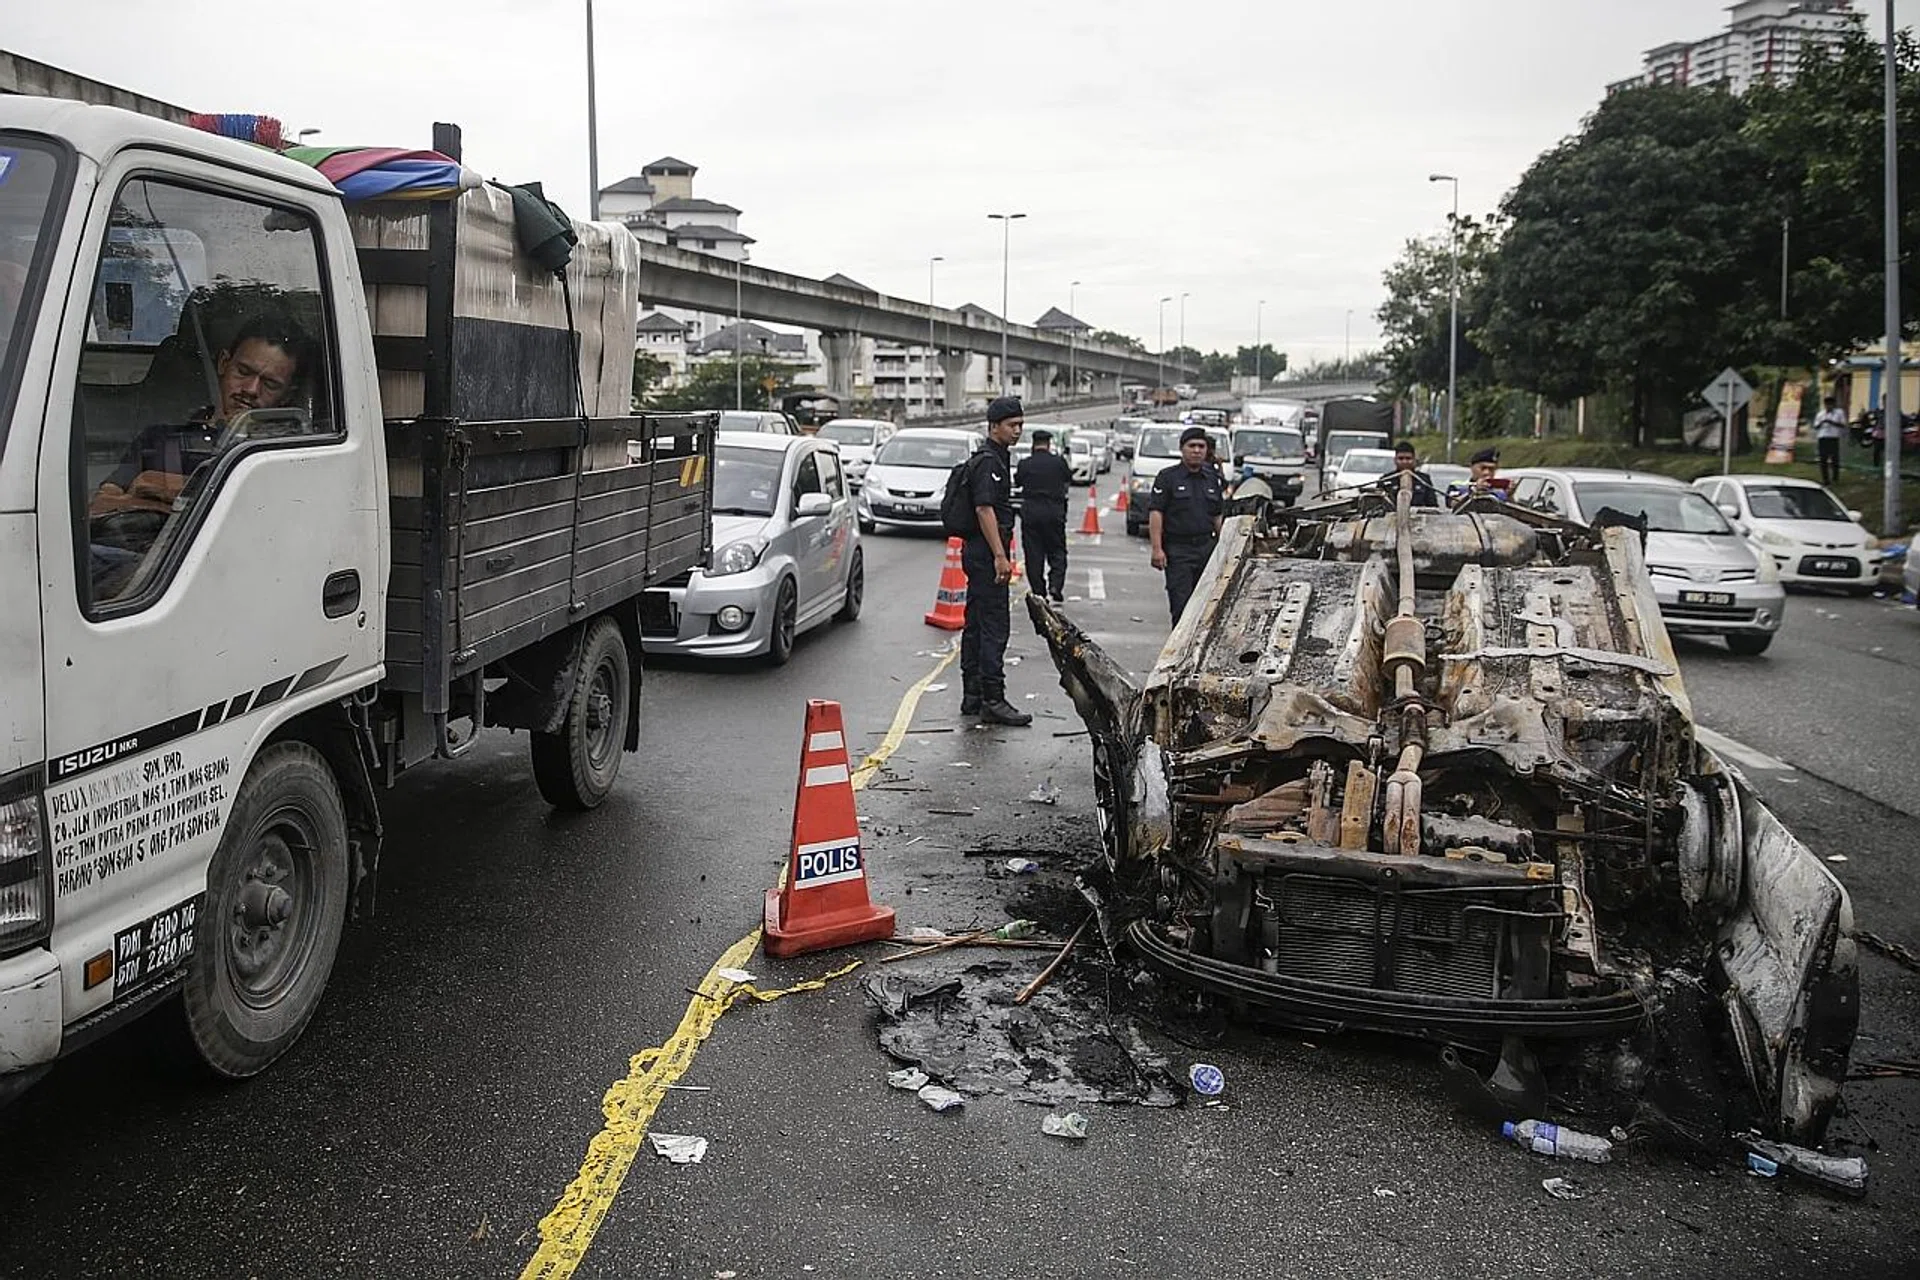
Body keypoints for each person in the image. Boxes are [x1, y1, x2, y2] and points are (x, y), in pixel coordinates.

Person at [959, 397, 1032, 727]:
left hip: (979, 553)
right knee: (993, 627)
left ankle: (972, 696)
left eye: (1020, 425)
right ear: (993, 427)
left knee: (975, 624)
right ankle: (993, 698)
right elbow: (984, 509)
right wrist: (1000, 557)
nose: (1017, 431)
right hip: (987, 554)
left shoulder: (994, 458)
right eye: (1011, 425)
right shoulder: (990, 462)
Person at [1149, 426, 1224, 625]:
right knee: (1181, 607)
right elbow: (1156, 513)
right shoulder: (1168, 477)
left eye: (1201, 446)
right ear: (1182, 449)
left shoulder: (1212, 478)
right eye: (1192, 446)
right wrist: (1157, 549)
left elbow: (1217, 515)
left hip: (1207, 549)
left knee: (1206, 608)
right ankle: (1178, 654)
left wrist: (1225, 549)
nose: (1197, 450)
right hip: (1179, 551)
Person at [1015, 428, 1072, 603]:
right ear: (1048, 444)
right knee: (1057, 552)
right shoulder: (1059, 463)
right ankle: (1055, 585)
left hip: (1031, 514)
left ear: (1034, 444)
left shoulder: (1025, 464)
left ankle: (1039, 591)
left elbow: (1018, 481)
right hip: (1054, 513)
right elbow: (1068, 478)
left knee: (1033, 555)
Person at [1375, 439, 1439, 507]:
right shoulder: (1385, 480)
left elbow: (1433, 506)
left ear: (1414, 460)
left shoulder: (1424, 480)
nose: (1404, 462)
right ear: (1395, 460)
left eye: (1408, 458)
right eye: (1401, 458)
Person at [1813, 396, 1847, 486]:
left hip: (1833, 437)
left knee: (1834, 458)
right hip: (1823, 438)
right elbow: (1816, 426)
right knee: (1823, 459)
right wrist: (1822, 422)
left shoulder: (1839, 413)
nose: (1828, 407)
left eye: (1830, 405)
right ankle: (1825, 479)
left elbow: (1843, 424)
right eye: (1827, 405)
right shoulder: (1820, 414)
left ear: (1833, 404)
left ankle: (1835, 478)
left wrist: (1831, 422)